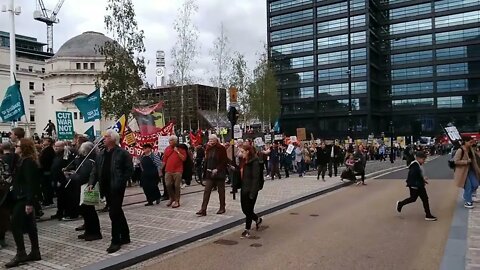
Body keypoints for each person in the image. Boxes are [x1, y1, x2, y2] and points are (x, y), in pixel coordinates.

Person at [89, 129, 133, 253]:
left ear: (113, 139)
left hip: (117, 188)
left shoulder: (122, 153)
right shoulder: (101, 154)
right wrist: (91, 183)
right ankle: (125, 236)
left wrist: (121, 182)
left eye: (106, 137)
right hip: (106, 187)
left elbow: (129, 170)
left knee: (113, 213)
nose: (104, 139)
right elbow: (95, 170)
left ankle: (116, 241)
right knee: (117, 211)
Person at [5, 139, 42, 268]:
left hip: (24, 198)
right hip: (23, 197)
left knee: (15, 225)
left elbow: (31, 183)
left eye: (18, 146)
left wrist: (29, 202)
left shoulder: (28, 162)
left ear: (24, 148)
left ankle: (21, 253)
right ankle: (35, 251)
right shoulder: (23, 160)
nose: (15, 147)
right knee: (30, 225)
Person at [67, 142, 102, 241]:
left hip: (86, 187)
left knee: (89, 211)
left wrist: (72, 176)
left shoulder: (88, 162)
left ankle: (94, 232)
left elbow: (83, 177)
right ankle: (88, 231)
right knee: (86, 211)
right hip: (84, 186)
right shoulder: (84, 160)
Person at [396, 151, 437, 221]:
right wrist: (421, 180)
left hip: (418, 184)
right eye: (423, 159)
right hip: (416, 185)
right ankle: (428, 215)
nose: (424, 161)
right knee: (421, 199)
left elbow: (418, 175)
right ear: (418, 158)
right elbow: (413, 176)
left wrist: (423, 180)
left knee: (417, 199)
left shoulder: (417, 165)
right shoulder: (414, 166)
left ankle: (401, 204)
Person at [196, 135, 228, 216]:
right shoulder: (208, 148)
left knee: (221, 191)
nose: (210, 142)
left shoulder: (221, 148)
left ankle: (222, 207)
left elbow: (224, 161)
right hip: (210, 173)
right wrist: (205, 172)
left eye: (212, 140)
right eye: (209, 140)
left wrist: (217, 169)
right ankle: (203, 209)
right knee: (207, 191)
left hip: (219, 173)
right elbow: (207, 160)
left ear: (216, 140)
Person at [238, 144, 263, 239]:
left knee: (249, 209)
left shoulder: (255, 162)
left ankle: (247, 230)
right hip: (244, 188)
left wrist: (253, 192)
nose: (241, 154)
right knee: (245, 209)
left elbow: (255, 178)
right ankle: (257, 219)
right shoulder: (244, 161)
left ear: (248, 152)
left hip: (251, 189)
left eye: (242, 152)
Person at [453, 136, 480, 209]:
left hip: (471, 170)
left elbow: (476, 157)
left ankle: (466, 196)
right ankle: (468, 201)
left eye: (472, 142)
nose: (471, 143)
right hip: (462, 172)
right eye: (470, 142)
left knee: (475, 184)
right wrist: (466, 162)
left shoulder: (471, 149)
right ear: (465, 141)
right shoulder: (460, 150)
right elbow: (456, 161)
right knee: (468, 186)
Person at [163, 135, 187, 208]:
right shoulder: (167, 148)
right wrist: (161, 169)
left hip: (178, 170)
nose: (170, 142)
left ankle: (177, 201)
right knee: (168, 185)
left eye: (171, 140)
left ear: (175, 141)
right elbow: (164, 159)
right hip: (168, 170)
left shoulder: (181, 148)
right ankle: (171, 198)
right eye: (169, 140)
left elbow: (183, 159)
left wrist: (177, 152)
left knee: (177, 186)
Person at [39, 137, 55, 206]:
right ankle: (47, 199)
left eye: (45, 140)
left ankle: (47, 200)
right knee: (45, 186)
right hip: (45, 170)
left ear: (49, 142)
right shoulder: (45, 149)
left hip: (46, 170)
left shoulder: (49, 150)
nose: (43, 141)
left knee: (46, 186)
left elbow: (46, 160)